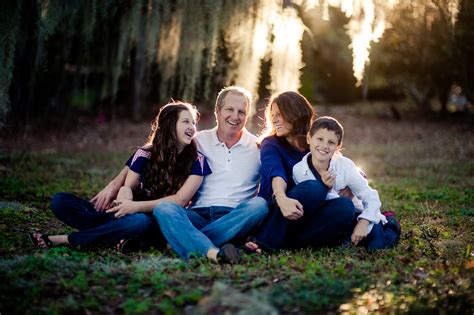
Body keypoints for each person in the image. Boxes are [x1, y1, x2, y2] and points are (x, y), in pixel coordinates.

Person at [29, 102, 211, 252]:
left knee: (139, 222)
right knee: (60, 201)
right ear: (170, 125)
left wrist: (134, 207)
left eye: (193, 123)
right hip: (126, 215)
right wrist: (124, 202)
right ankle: (116, 233)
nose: (192, 127)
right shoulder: (146, 154)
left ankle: (66, 239)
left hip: (158, 221)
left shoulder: (197, 160)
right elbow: (128, 186)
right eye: (186, 122)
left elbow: (180, 200)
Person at [152, 86, 268, 264]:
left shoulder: (259, 147)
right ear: (217, 111)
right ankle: (219, 249)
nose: (235, 117)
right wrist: (117, 185)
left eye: (241, 112)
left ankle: (187, 241)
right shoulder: (197, 141)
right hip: (197, 215)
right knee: (164, 208)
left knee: (259, 205)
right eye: (230, 109)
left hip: (235, 217)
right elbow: (154, 152)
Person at [244, 91, 355, 253]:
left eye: (279, 114)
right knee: (314, 188)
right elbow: (276, 173)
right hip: (278, 209)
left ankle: (286, 243)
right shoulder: (271, 144)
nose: (274, 119)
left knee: (345, 207)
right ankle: (264, 240)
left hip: (306, 215)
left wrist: (350, 183)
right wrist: (282, 199)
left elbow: (337, 166)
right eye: (272, 115)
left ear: (295, 114)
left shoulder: (315, 145)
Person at [293, 116, 401, 249]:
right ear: (309, 138)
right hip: (330, 215)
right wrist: (330, 191)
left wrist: (363, 221)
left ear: (338, 147)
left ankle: (391, 222)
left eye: (331, 142)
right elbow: (313, 202)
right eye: (320, 139)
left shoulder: (345, 165)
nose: (324, 146)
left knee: (377, 246)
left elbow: (370, 195)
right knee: (336, 239)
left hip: (357, 214)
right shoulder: (299, 170)